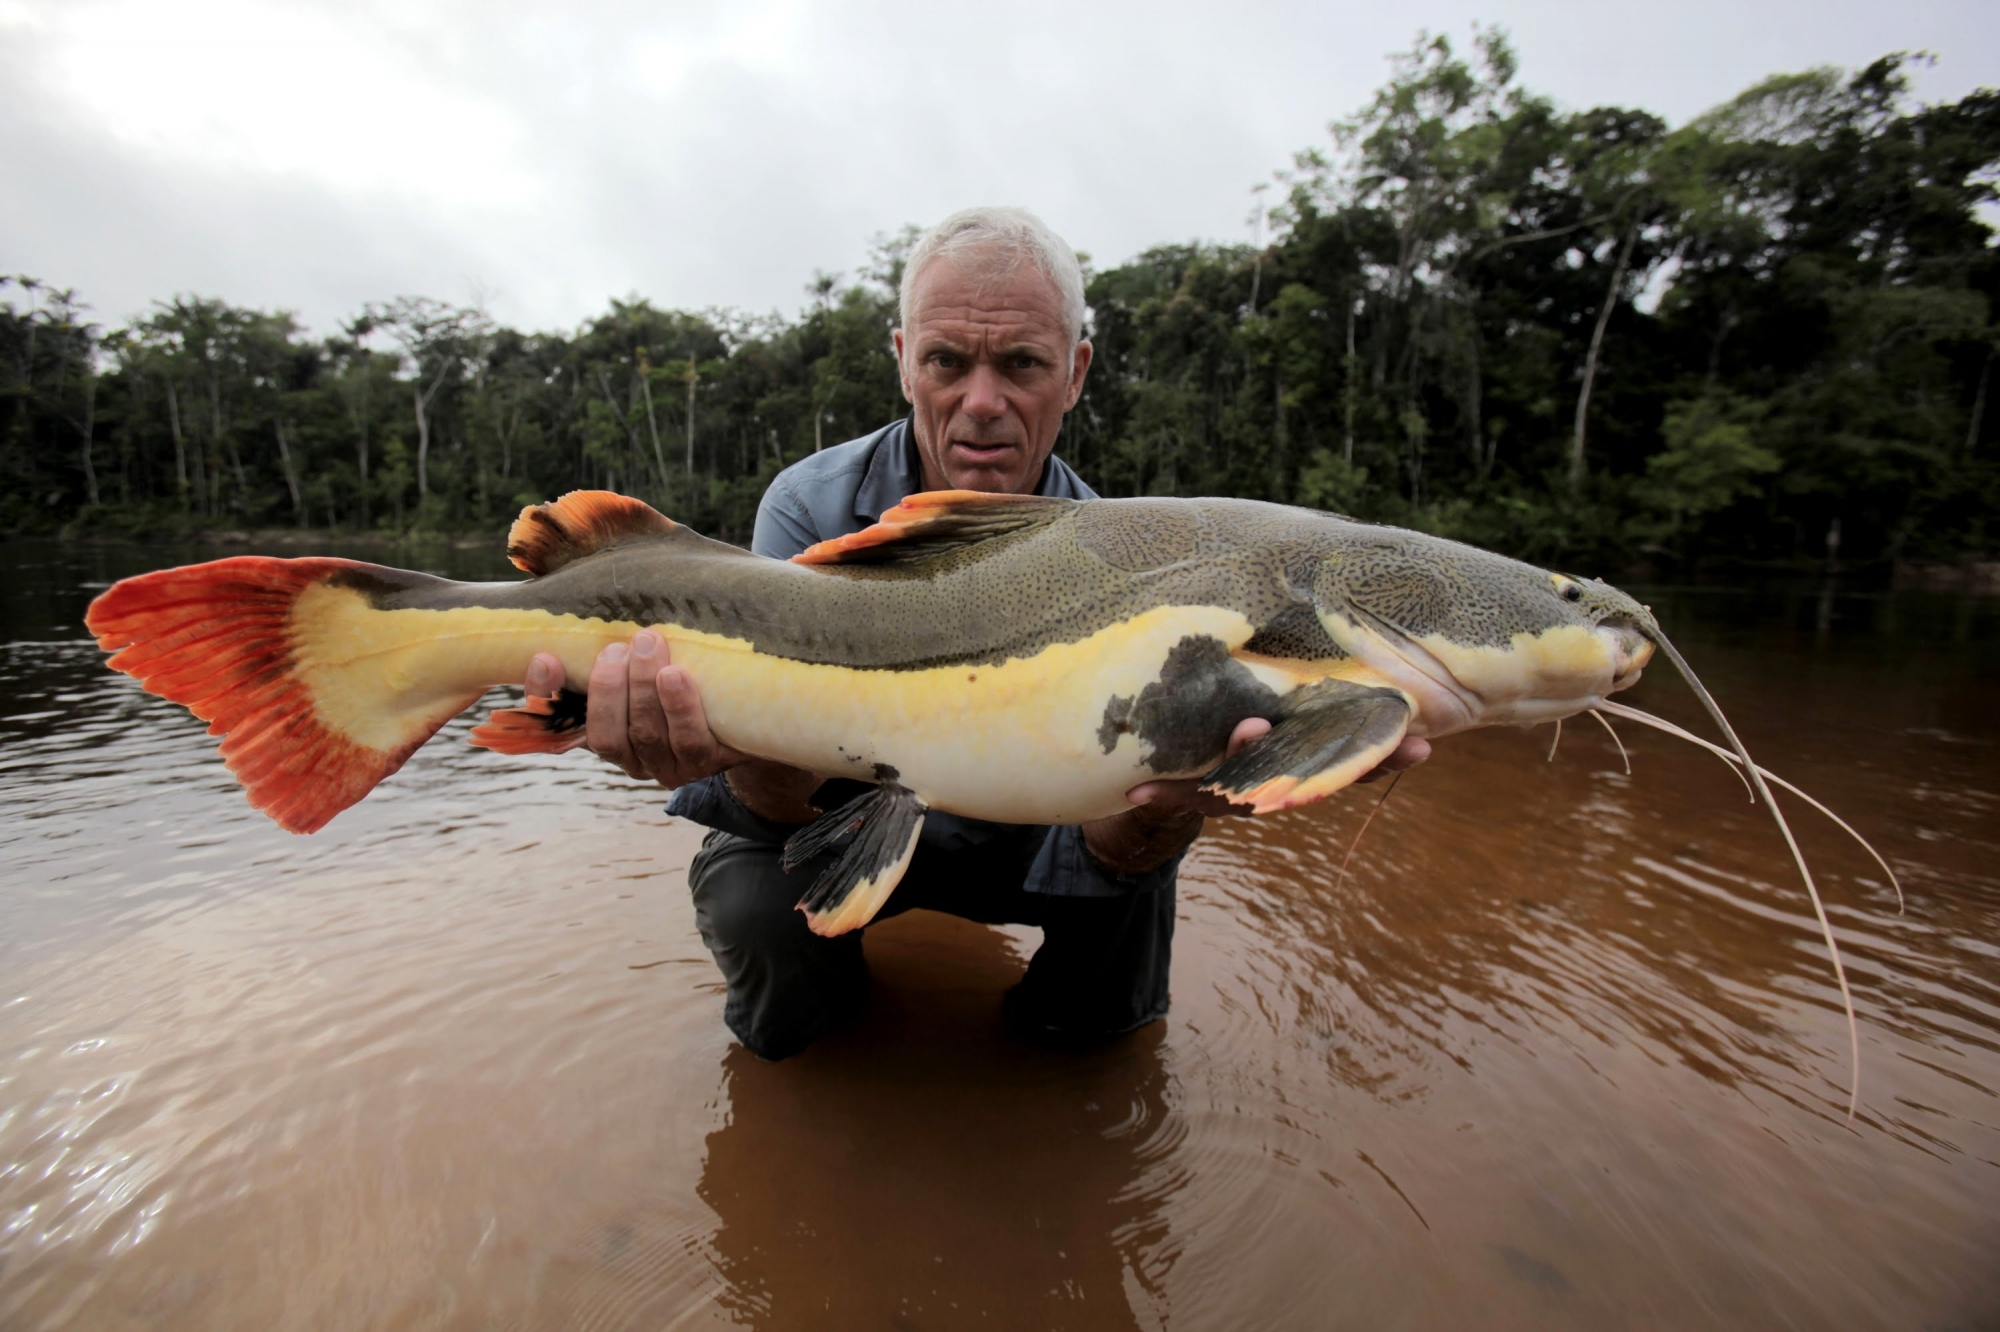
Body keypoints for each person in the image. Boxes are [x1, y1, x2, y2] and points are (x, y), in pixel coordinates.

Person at [522, 206, 1429, 1060]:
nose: (982, 401)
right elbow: (768, 801)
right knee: (760, 905)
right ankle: (816, 1061)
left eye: (1023, 366)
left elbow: (1110, 839)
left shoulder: (1132, 555)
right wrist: (723, 741)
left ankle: (1071, 1048)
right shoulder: (809, 508)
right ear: (903, 360)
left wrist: (1174, 810)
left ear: (1074, 373)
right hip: (841, 811)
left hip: (1032, 826)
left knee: (1124, 947)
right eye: (949, 361)